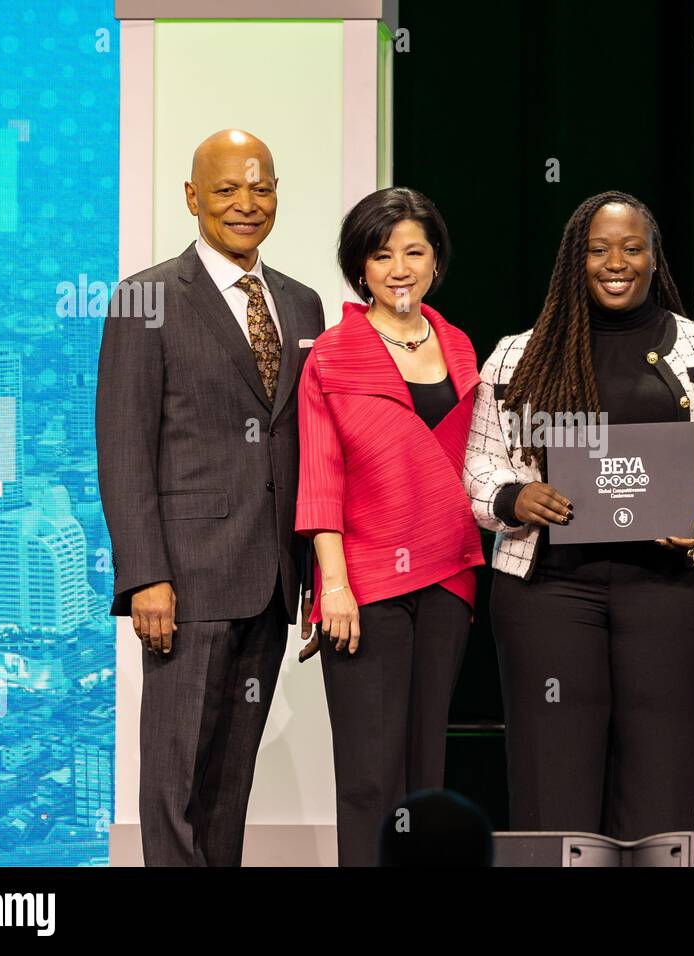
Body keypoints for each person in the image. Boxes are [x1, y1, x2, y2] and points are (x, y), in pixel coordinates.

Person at [466, 191, 694, 859]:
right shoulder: (518, 356)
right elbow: (479, 468)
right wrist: (513, 498)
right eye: (599, 250)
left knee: (667, 771)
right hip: (549, 593)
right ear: (575, 261)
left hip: (674, 594)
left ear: (654, 258)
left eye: (632, 248)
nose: (616, 262)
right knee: (552, 773)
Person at [97, 129, 325, 866]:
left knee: (231, 782)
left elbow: (310, 445)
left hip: (271, 580)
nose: (246, 203)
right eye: (226, 189)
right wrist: (144, 575)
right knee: (174, 781)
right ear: (193, 197)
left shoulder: (303, 304)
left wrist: (315, 576)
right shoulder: (148, 298)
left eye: (262, 187)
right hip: (185, 580)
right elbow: (124, 448)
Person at [295, 187, 485, 866]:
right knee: (370, 773)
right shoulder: (334, 352)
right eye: (382, 255)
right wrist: (333, 587)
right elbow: (319, 474)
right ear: (360, 269)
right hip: (365, 583)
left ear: (435, 260)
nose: (399, 268)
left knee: (425, 764)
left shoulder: (461, 348)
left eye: (414, 251)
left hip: (449, 573)